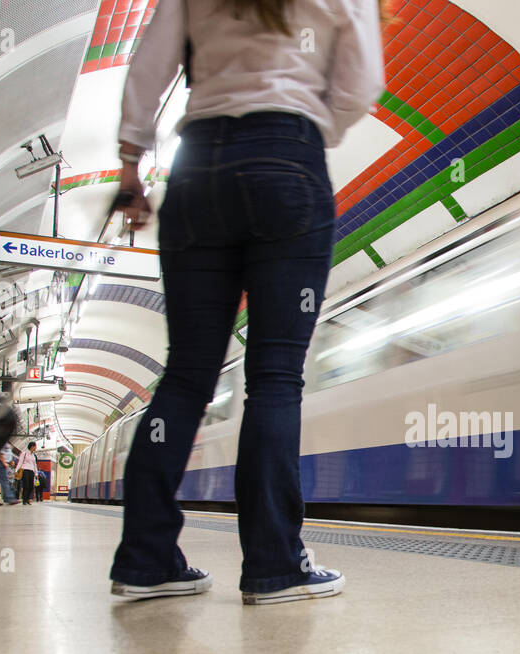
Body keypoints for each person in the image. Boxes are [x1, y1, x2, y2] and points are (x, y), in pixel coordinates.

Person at [108, 0, 385, 603]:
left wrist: (130, 166)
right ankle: (274, 564)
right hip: (289, 162)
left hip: (198, 167)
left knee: (184, 378)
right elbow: (361, 83)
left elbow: (148, 68)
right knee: (276, 378)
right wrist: (308, 125)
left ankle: (145, 557)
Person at [17, 441, 39, 507]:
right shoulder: (24, 454)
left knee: (31, 486)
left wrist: (36, 473)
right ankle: (24, 500)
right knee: (25, 485)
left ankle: (27, 499)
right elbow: (20, 462)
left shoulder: (34, 456)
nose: (36, 447)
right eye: (35, 446)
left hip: (31, 471)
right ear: (32, 446)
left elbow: (35, 465)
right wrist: (16, 470)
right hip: (25, 470)